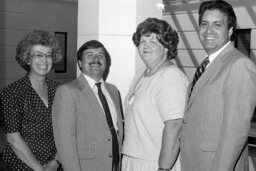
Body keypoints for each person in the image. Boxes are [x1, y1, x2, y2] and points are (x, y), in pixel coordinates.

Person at [179, 0, 256, 171]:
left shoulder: (239, 65)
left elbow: (234, 134)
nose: (209, 31)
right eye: (204, 24)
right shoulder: (208, 64)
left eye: (217, 25)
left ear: (230, 31)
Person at [122, 18, 188, 171]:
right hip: (134, 159)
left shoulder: (171, 77)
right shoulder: (141, 74)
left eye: (153, 42)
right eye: (142, 41)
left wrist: (163, 168)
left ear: (166, 48)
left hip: (155, 163)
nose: (146, 46)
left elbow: (175, 126)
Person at [52, 40, 124, 171]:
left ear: (106, 62)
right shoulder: (67, 91)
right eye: (89, 55)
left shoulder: (113, 91)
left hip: (114, 165)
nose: (95, 59)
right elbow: (64, 142)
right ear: (80, 63)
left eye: (101, 55)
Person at [0, 30, 63, 171]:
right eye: (38, 55)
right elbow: (14, 139)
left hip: (55, 164)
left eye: (48, 55)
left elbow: (66, 131)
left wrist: (56, 162)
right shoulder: (12, 92)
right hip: (22, 165)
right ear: (27, 59)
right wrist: (40, 169)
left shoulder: (60, 89)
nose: (44, 60)